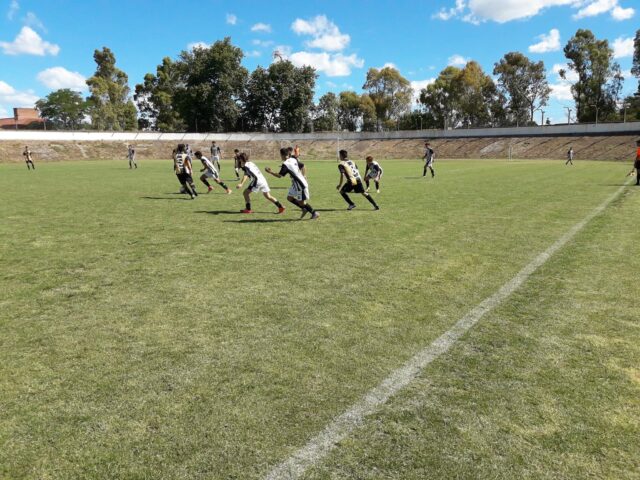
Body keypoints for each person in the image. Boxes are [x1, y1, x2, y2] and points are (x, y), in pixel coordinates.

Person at [265, 147, 319, 220]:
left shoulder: (285, 164)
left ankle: (314, 213)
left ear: (282, 155)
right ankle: (304, 209)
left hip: (300, 184)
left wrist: (270, 172)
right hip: (295, 184)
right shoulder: (293, 159)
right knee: (289, 198)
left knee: (302, 203)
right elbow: (302, 166)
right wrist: (304, 175)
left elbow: (279, 176)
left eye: (280, 155)